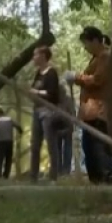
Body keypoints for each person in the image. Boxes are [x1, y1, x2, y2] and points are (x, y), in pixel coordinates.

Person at [64, 26, 112, 185]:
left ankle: (107, 178)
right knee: (89, 148)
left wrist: (77, 77)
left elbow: (98, 79)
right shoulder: (95, 58)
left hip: (99, 110)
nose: (85, 47)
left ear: (95, 40)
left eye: (86, 43)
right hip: (89, 111)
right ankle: (95, 181)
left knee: (99, 147)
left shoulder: (105, 56)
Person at [28, 46, 62, 182]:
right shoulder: (38, 73)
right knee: (35, 144)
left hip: (48, 111)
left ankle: (53, 177)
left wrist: (36, 92)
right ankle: (33, 177)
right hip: (36, 110)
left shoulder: (51, 73)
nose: (33, 58)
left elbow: (52, 93)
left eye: (35, 55)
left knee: (51, 144)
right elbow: (34, 89)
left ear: (43, 56)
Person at [0, 107, 23, 179]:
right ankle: (6, 175)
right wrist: (21, 132)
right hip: (9, 142)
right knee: (8, 159)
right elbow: (18, 126)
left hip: (0, 142)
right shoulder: (9, 119)